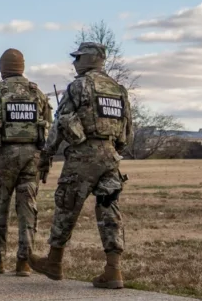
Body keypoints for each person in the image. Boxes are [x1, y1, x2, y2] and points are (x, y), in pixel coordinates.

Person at [29, 42, 133, 290]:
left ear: (87, 59)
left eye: (77, 58)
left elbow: (60, 123)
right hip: (110, 156)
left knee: (66, 206)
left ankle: (54, 262)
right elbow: (127, 129)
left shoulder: (79, 85)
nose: (74, 62)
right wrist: (114, 152)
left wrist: (47, 155)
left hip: (83, 157)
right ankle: (113, 270)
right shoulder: (118, 89)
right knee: (110, 211)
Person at [0, 48, 53, 276]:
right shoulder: (38, 93)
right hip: (32, 157)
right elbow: (49, 130)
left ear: (1, 68)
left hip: (4, 156)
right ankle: (24, 262)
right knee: (28, 208)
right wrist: (46, 161)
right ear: (22, 67)